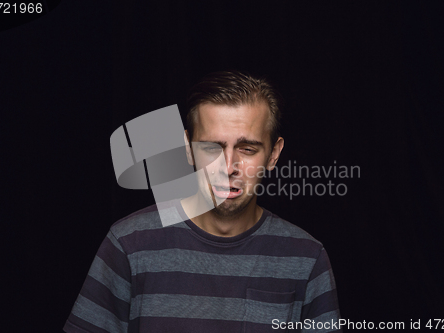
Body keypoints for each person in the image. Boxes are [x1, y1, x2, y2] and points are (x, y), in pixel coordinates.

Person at [64, 71, 341, 332]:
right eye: (211, 148)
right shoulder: (128, 245)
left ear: (273, 154)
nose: (228, 165)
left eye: (247, 149)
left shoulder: (307, 258)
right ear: (189, 149)